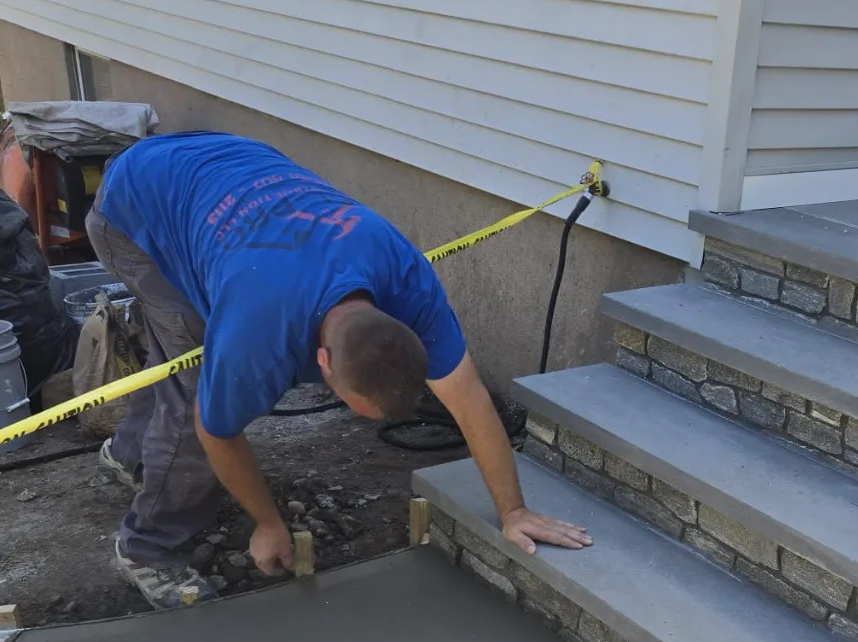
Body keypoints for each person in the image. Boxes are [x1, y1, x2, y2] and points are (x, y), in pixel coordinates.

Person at [85, 131, 591, 609]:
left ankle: (131, 455)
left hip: (221, 172)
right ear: (321, 361)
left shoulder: (409, 284)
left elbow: (471, 399)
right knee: (193, 385)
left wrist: (513, 511)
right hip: (135, 204)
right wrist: (268, 523)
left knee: (180, 358)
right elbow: (217, 431)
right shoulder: (257, 330)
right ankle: (147, 547)